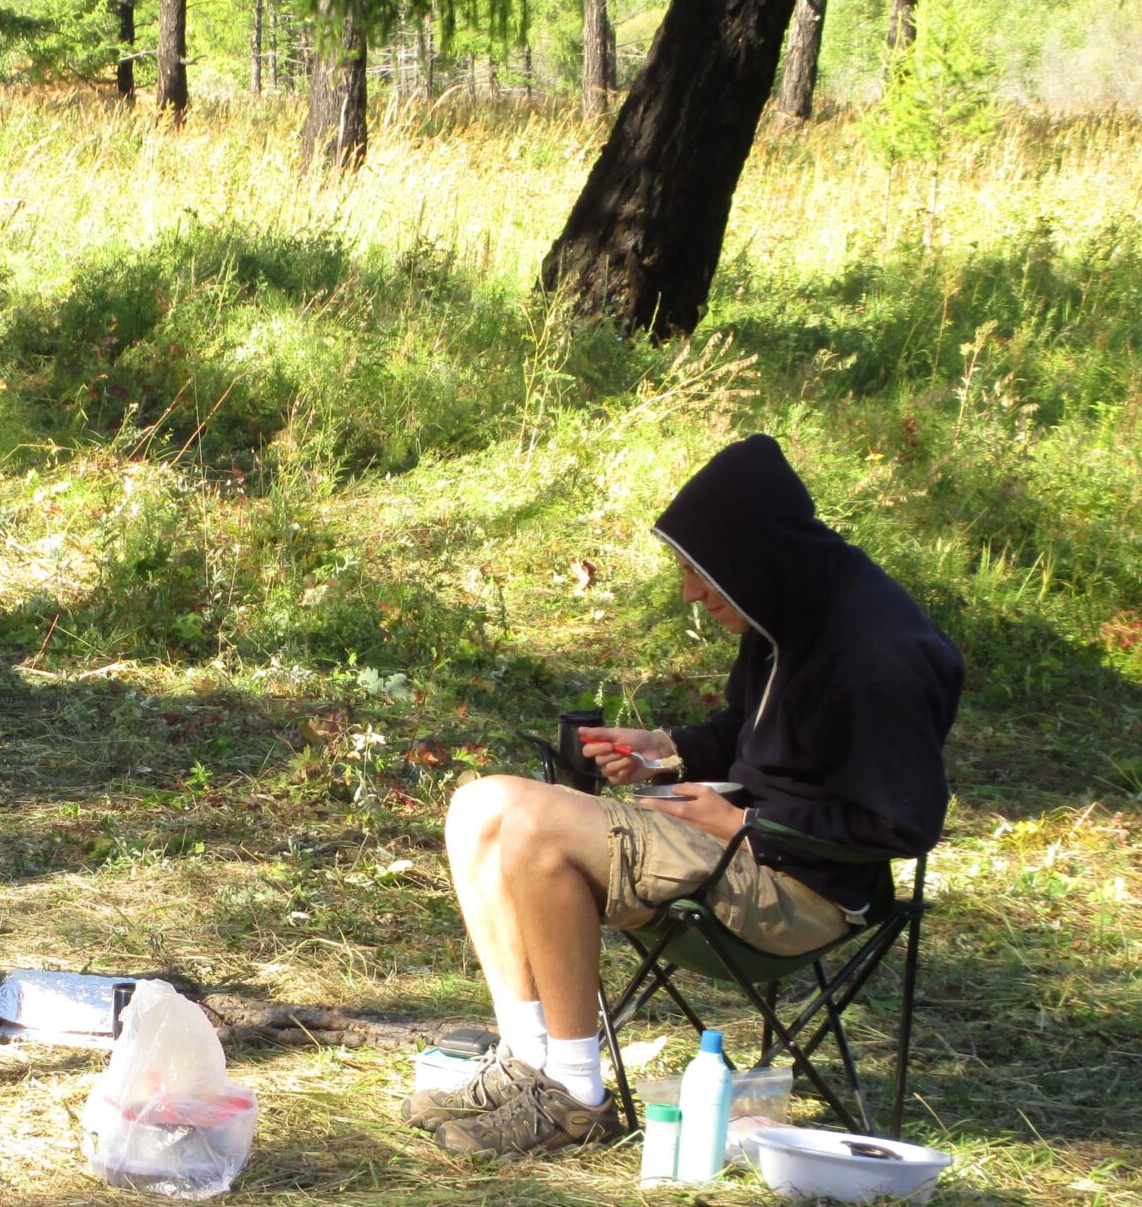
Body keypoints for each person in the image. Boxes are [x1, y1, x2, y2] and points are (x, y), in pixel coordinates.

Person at [411, 434, 964, 1158]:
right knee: (476, 807)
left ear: (754, 561)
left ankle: (576, 1097)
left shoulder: (874, 654)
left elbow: (903, 823)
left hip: (800, 893)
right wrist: (664, 750)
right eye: (687, 569)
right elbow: (752, 729)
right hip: (740, 849)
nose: (692, 593)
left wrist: (745, 821)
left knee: (537, 829)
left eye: (704, 574)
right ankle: (529, 1064)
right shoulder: (789, 600)